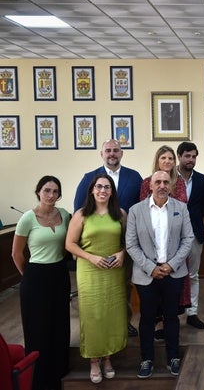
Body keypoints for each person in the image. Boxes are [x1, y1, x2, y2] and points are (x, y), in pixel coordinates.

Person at [126, 171, 194, 378]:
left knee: (171, 317)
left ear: (171, 186)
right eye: (158, 182)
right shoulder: (136, 210)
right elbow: (131, 243)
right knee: (147, 317)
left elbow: (188, 239)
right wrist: (151, 267)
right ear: (150, 186)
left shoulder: (180, 208)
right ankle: (146, 359)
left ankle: (173, 357)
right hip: (146, 274)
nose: (162, 185)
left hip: (173, 273)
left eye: (166, 182)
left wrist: (171, 265)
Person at [73, 138, 143, 338]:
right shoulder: (89, 178)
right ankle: (99, 327)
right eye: (108, 150)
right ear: (101, 154)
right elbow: (79, 208)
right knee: (97, 292)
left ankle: (125, 321)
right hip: (93, 247)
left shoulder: (134, 177)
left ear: (122, 153)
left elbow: (141, 208)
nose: (112, 154)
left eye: (116, 150)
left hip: (124, 244)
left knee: (124, 285)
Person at [66, 174, 128, 384]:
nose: (103, 190)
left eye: (107, 187)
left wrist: (122, 254)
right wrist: (91, 257)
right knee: (93, 315)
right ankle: (94, 360)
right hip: (90, 270)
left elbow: (129, 241)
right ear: (92, 190)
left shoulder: (120, 214)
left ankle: (108, 358)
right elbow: (70, 244)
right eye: (99, 187)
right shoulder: (81, 214)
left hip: (114, 270)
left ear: (112, 191)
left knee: (112, 313)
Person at [12, 176, 71, 390]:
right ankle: (39, 376)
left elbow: (66, 246)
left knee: (60, 323)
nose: (51, 195)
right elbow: (16, 253)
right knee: (38, 326)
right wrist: (28, 276)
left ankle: (60, 369)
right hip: (35, 275)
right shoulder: (28, 218)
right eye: (47, 190)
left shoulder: (64, 215)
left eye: (55, 191)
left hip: (58, 273)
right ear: (38, 192)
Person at [140, 145, 189, 338]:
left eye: (170, 158)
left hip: (175, 242)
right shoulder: (146, 182)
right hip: (151, 242)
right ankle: (157, 323)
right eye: (163, 158)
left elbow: (181, 206)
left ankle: (170, 322)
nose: (167, 161)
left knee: (173, 284)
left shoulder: (180, 182)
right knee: (153, 284)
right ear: (157, 161)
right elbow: (142, 210)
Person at [176, 142, 204, 329]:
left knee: (193, 275)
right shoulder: (170, 177)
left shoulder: (202, 180)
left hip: (195, 233)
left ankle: (192, 313)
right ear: (179, 156)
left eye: (194, 156)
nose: (191, 160)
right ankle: (171, 314)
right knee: (173, 276)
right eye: (187, 156)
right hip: (173, 236)